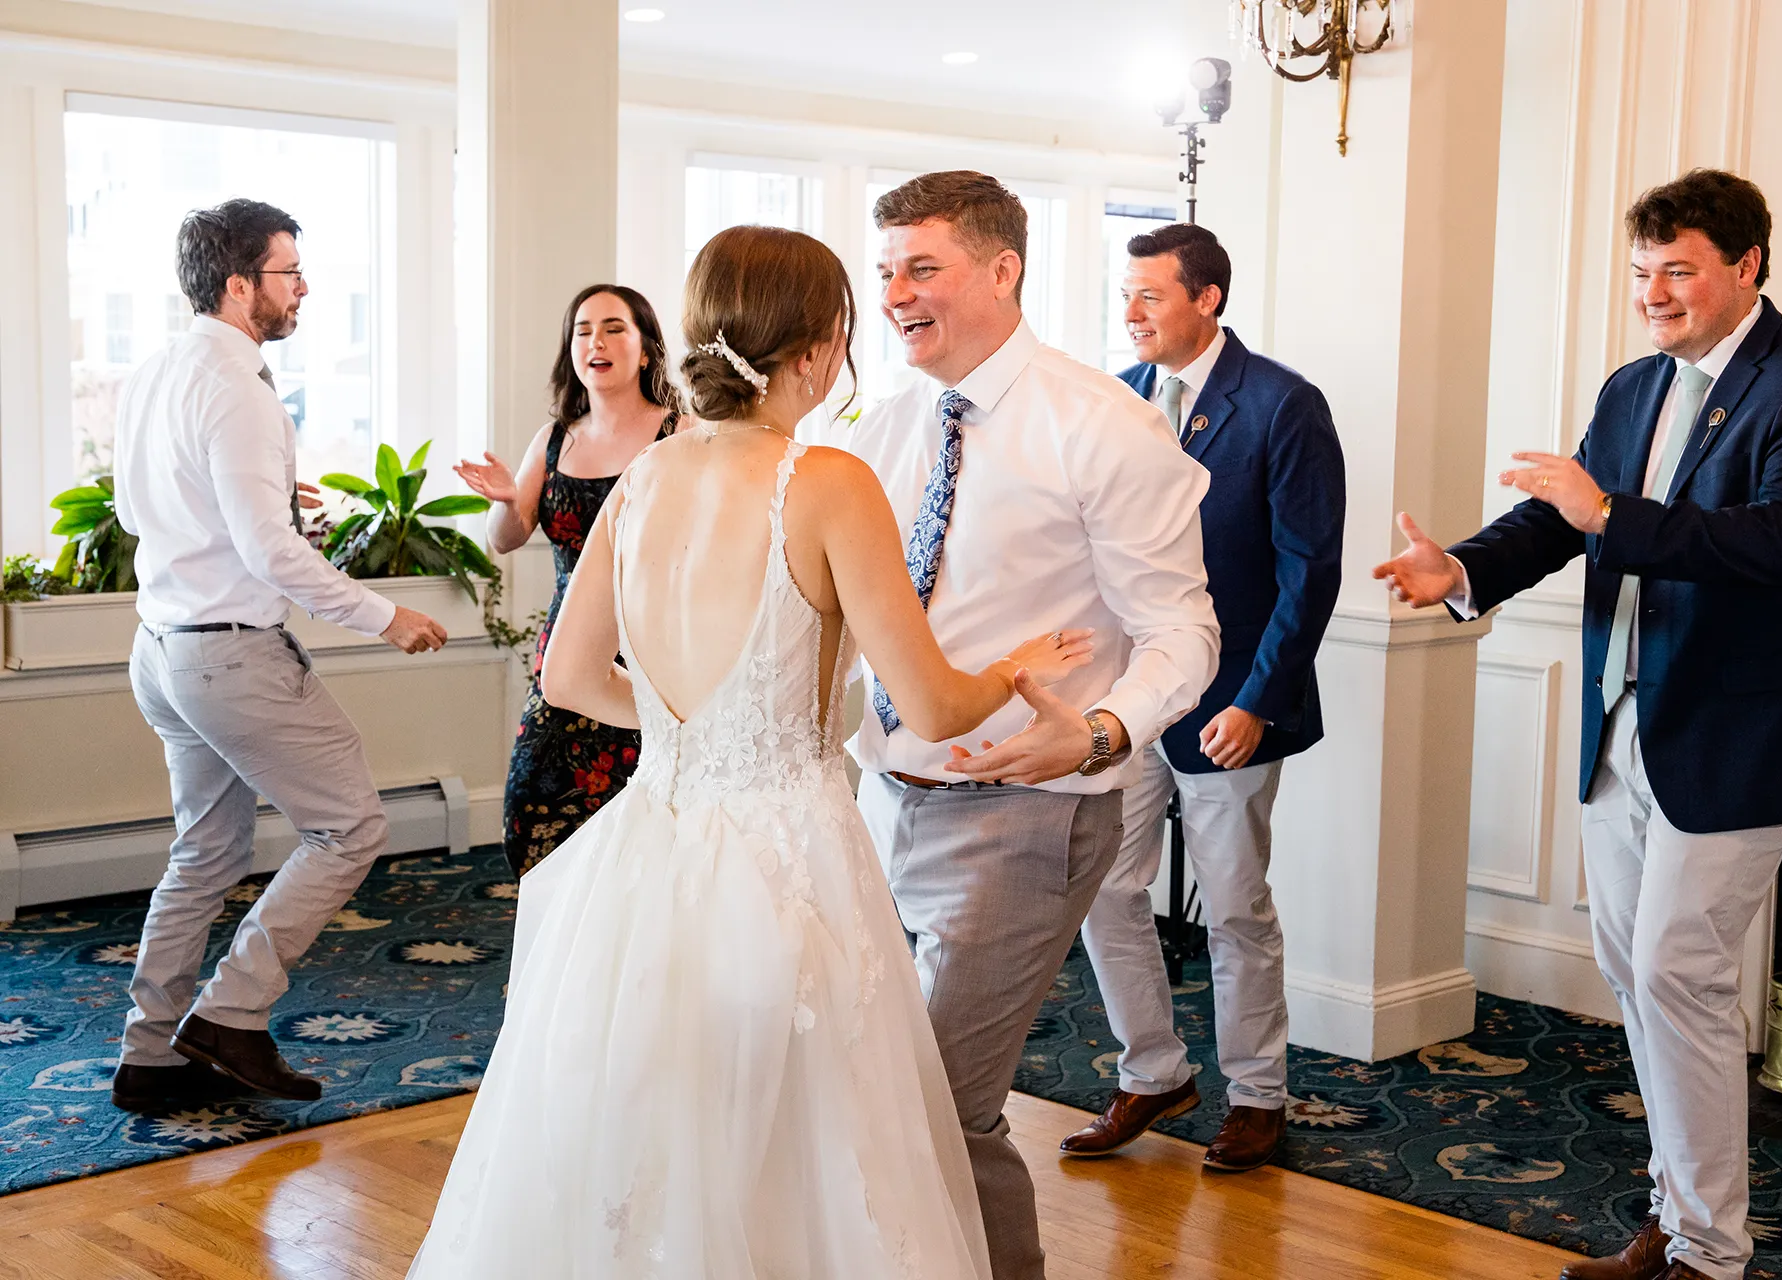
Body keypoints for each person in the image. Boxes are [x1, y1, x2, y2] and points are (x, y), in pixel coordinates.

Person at [407, 224, 1096, 1278]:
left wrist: (703, 724)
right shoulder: (826, 481)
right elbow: (933, 702)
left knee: (659, 1146)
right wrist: (1018, 663)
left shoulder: (642, 480)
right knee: (806, 1149)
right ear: (819, 348)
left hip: (648, 851)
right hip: (788, 860)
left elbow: (569, 677)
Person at [1372, 169, 1782, 1280]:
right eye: (1643, 271)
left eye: (1679, 270)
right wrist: (1462, 566)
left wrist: (1611, 515)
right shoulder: (1632, 385)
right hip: (1620, 726)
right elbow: (1559, 522)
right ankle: (1677, 1210)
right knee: (1634, 970)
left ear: (1746, 267)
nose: (1653, 292)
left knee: (1674, 975)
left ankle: (1706, 1250)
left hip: (1741, 735)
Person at [842, 171, 1220, 1280]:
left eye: (922, 267)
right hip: (879, 800)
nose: (896, 294)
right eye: (885, 272)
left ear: (1003, 270)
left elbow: (1183, 630)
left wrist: (1100, 730)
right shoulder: (881, 429)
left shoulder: (1103, 423)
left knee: (941, 1104)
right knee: (882, 1092)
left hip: (1028, 809)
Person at [112, 198, 447, 1112]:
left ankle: (150, 1056)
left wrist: (250, 498)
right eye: (289, 273)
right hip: (231, 657)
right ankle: (232, 1015)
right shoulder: (239, 388)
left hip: (162, 651)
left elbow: (140, 512)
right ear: (237, 284)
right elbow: (269, 555)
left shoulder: (153, 373)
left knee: (206, 850)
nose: (302, 289)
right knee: (352, 826)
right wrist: (386, 616)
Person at [1064, 223, 1344, 1173]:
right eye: (1125, 294)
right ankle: (1152, 1071)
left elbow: (1309, 573)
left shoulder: (1281, 405)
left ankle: (1258, 1098)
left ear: (1207, 298)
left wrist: (1259, 700)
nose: (1130, 311)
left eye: (1149, 295)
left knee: (1233, 908)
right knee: (1105, 885)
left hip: (1232, 706)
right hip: (1131, 701)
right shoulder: (1119, 401)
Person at [453, 283, 679, 878]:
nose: (595, 342)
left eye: (612, 328)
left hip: (654, 652)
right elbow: (504, 538)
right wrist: (507, 499)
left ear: (646, 349)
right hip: (569, 647)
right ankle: (561, 950)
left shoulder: (680, 435)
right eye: (582, 330)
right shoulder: (554, 439)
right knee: (532, 805)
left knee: (646, 813)